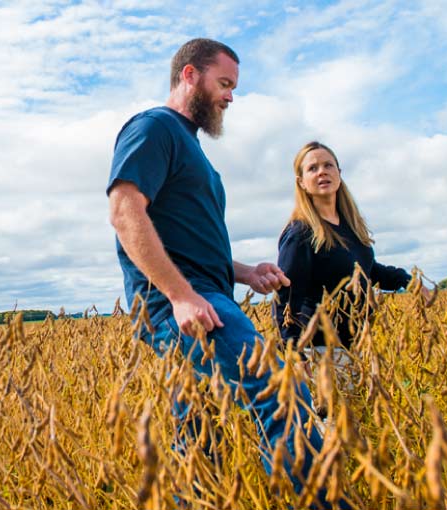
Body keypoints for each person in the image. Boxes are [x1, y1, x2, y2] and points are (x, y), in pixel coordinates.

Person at [107, 38, 329, 504]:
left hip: (200, 296)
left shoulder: (189, 148)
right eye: (224, 83)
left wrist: (245, 273)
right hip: (185, 306)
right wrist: (180, 295)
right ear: (189, 75)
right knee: (282, 396)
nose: (231, 96)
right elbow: (126, 212)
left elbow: (185, 242)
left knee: (199, 433)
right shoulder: (154, 128)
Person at [273, 141, 420, 382]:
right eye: (312, 168)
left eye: (328, 165)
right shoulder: (301, 233)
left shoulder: (350, 226)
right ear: (301, 182)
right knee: (332, 421)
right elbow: (285, 296)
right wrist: (293, 354)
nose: (322, 171)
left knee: (358, 419)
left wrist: (409, 281)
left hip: (357, 347)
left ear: (339, 174)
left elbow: (367, 271)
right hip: (320, 353)